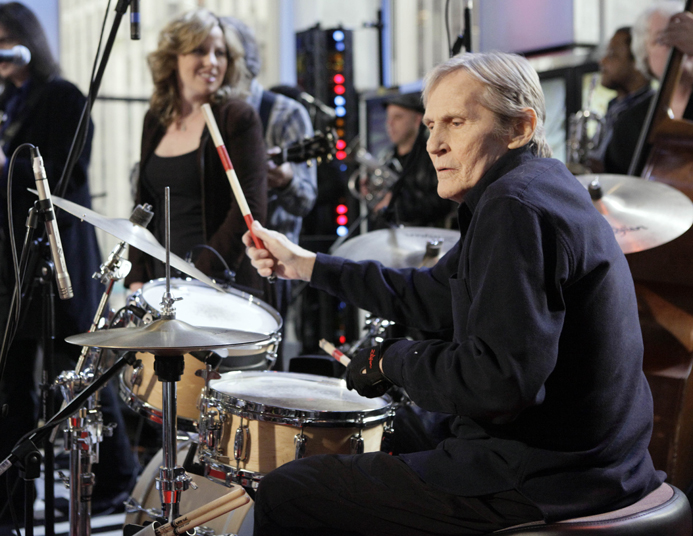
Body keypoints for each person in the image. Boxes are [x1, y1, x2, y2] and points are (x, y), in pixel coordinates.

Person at [243, 51, 663, 535]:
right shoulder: (539, 185)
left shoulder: (514, 206)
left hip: (547, 476)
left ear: (520, 127)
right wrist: (307, 265)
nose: (435, 145)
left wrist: (391, 361)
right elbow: (429, 295)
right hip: (600, 459)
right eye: (430, 125)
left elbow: (498, 384)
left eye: (456, 123)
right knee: (392, 429)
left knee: (288, 490)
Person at [0, 1, 136, 524]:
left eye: (7, 37)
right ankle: (11, 496)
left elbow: (62, 177)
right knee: (12, 381)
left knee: (76, 373)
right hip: (12, 266)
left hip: (59, 260)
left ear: (28, 39)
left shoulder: (61, 96)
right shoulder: (11, 101)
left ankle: (112, 480)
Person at [124, 9, 267, 296]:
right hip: (161, 285)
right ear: (173, 58)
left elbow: (247, 207)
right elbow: (144, 202)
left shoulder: (237, 116)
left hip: (219, 284)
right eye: (199, 51)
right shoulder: (155, 119)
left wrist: (199, 277)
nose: (212, 62)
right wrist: (136, 276)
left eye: (221, 53)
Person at [222, 16, 317, 370]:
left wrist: (285, 179)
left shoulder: (285, 113)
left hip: (266, 268)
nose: (214, 66)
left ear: (245, 62)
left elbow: (305, 199)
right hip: (214, 257)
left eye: (224, 55)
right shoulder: (207, 115)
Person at [604, 1, 693, 175]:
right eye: (662, 39)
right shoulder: (630, 124)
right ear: (645, 55)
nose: (677, 45)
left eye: (684, 33)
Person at [365, 92, 455, 229]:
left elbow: (442, 204)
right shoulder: (387, 158)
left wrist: (395, 205)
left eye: (398, 117)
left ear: (417, 120)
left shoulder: (435, 155)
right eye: (388, 118)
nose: (390, 123)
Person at [587, 27, 653, 173]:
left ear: (637, 62)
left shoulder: (650, 111)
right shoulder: (614, 107)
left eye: (612, 54)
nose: (602, 61)